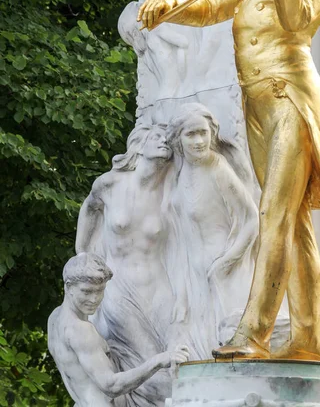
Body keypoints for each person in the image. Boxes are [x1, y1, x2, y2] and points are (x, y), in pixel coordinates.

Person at [137, 0, 320, 361]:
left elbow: (297, 24)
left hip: (290, 94)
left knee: (273, 212)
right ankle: (309, 340)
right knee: (292, 221)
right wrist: (172, 4)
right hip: (256, 103)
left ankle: (252, 334)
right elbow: (210, 7)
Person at [75, 124, 175, 406]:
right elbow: (90, 207)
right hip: (120, 290)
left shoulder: (168, 189)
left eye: (167, 139)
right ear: (139, 146)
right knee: (153, 372)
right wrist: (82, 252)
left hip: (161, 288)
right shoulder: (110, 184)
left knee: (179, 358)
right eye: (157, 137)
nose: (164, 142)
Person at [164, 103, 258, 357]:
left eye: (203, 133)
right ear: (178, 139)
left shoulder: (218, 168)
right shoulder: (179, 173)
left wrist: (228, 261)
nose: (199, 141)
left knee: (226, 347)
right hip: (193, 275)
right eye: (191, 134)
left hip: (223, 273)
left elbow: (252, 219)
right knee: (203, 352)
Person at [48, 253, 189, 407]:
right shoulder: (81, 330)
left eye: (99, 291)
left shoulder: (55, 319)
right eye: (86, 292)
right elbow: (111, 386)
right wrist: (158, 361)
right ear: (68, 286)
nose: (94, 299)